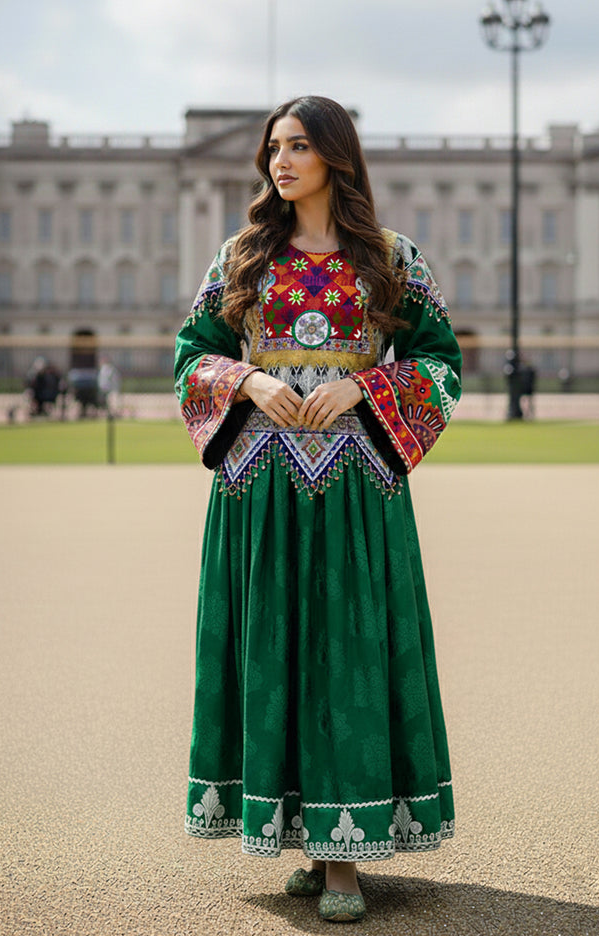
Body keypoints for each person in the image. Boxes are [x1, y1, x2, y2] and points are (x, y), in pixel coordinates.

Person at [175, 96, 462, 924]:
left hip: (355, 493)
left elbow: (442, 365)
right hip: (260, 490)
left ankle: (344, 857)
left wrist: (364, 387)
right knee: (277, 653)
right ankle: (300, 832)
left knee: (344, 656)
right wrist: (250, 379)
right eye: (274, 148)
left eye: (298, 146)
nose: (280, 160)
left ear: (336, 155)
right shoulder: (241, 260)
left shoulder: (393, 260)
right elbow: (192, 356)